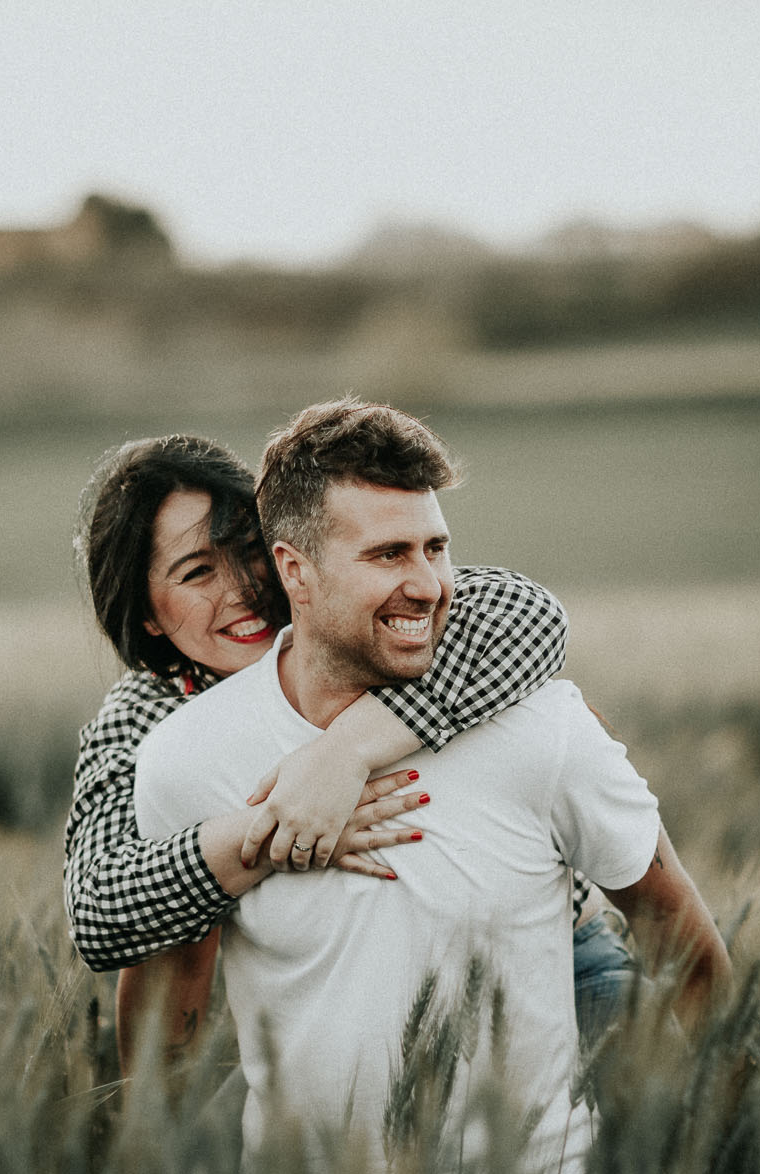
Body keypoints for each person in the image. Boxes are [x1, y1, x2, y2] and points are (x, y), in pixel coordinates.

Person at [132, 399, 732, 1174]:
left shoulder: (541, 725)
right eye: (386, 555)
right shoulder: (185, 759)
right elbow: (168, 1006)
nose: (429, 584)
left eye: (435, 547)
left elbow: (680, 939)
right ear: (293, 569)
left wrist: (723, 1156)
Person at [61, 433, 634, 1072]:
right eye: (197, 572)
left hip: (553, 958)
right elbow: (99, 910)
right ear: (146, 613)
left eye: (250, 553)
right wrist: (279, 826)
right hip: (337, 1001)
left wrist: (344, 754)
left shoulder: (360, 626)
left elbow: (529, 612)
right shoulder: (147, 718)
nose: (242, 588)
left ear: (291, 556)